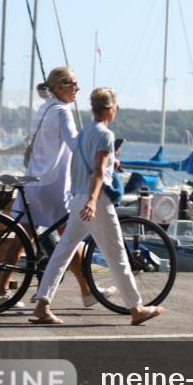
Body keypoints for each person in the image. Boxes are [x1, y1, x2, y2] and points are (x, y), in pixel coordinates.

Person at [30, 88, 164, 326]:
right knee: (117, 255)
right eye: (117, 107)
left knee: (62, 252)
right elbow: (99, 171)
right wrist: (93, 200)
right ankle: (136, 308)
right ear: (110, 108)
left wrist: (111, 164)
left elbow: (87, 166)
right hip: (97, 202)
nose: (117, 111)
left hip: (78, 199)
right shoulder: (105, 135)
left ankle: (42, 304)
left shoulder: (84, 134)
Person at [0, 67, 117, 308]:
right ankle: (84, 293)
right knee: (68, 237)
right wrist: (106, 156)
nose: (78, 88)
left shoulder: (44, 108)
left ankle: (0, 291)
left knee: (22, 237)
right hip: (52, 183)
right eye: (73, 84)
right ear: (60, 86)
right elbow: (76, 145)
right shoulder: (63, 112)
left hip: (33, 179)